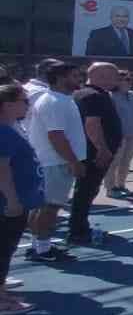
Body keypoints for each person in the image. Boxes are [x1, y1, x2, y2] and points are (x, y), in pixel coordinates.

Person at [24, 61, 83, 263]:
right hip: (54, 163)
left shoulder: (62, 99)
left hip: (53, 162)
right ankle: (42, 249)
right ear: (59, 78)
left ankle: (38, 246)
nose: (79, 79)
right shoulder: (54, 102)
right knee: (50, 207)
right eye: (74, 76)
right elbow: (56, 136)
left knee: (43, 207)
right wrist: (74, 161)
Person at [1, 83, 44, 315]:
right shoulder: (4, 132)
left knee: (6, 248)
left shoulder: (10, 129)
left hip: (14, 200)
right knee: (3, 248)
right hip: (8, 203)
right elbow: (2, 169)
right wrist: (12, 200)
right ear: (8, 105)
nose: (28, 105)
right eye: (24, 101)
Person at [70, 62, 122, 246]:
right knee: (87, 190)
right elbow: (92, 124)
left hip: (87, 151)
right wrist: (102, 149)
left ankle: (79, 227)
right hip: (94, 153)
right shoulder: (94, 96)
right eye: (114, 76)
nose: (117, 80)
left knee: (85, 190)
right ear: (101, 76)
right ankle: (78, 230)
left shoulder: (82, 93)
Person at [105, 69, 133, 199]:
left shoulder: (131, 96)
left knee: (126, 162)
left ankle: (121, 185)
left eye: (130, 79)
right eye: (127, 79)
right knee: (114, 162)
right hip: (118, 135)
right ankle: (110, 188)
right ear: (117, 81)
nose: (130, 82)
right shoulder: (110, 96)